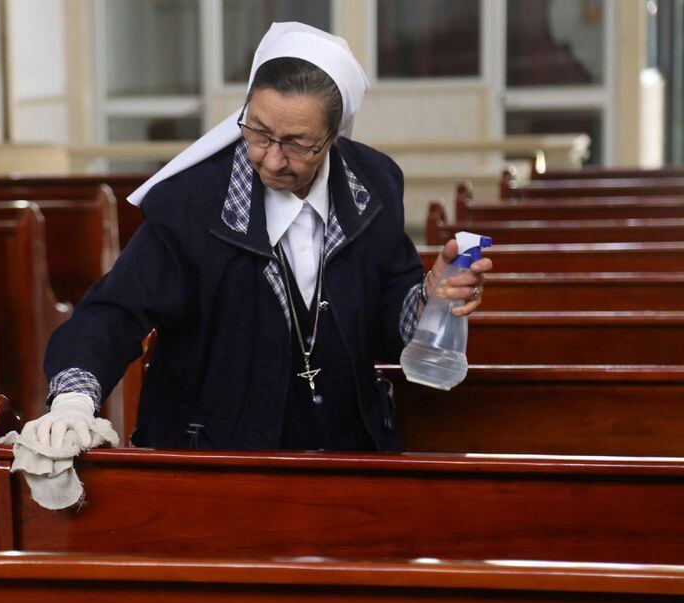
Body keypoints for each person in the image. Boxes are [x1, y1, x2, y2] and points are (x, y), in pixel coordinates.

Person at [30, 22, 492, 452]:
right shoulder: (193, 203)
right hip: (214, 455)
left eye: (296, 143)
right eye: (259, 132)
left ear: (333, 136)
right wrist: (74, 399)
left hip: (346, 450)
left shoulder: (374, 185)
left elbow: (389, 327)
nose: (272, 160)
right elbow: (116, 311)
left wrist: (431, 297)